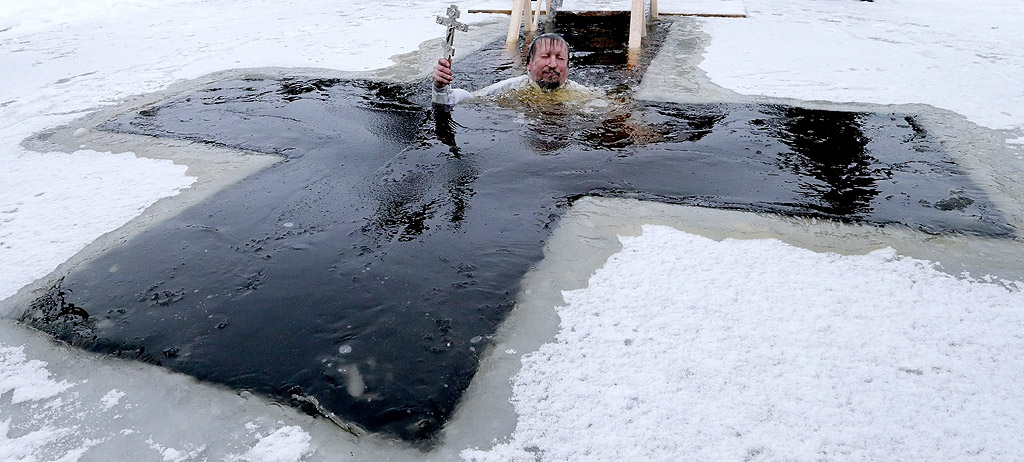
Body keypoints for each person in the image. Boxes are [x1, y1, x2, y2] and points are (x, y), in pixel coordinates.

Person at [431, 33, 591, 106]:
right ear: (528, 64)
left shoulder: (583, 96)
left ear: (568, 67)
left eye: (560, 58)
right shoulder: (511, 88)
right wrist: (440, 88)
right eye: (545, 56)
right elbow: (464, 99)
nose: (553, 64)